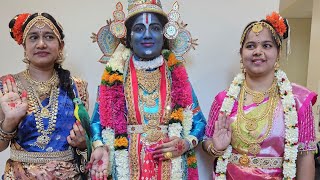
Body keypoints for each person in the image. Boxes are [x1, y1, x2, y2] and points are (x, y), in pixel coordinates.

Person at [88, 0, 206, 179]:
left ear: (165, 35)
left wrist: (186, 143)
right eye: (139, 29)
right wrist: (99, 146)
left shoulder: (177, 78)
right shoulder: (115, 78)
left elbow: (200, 123)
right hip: (127, 166)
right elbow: (97, 123)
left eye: (155, 28)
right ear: (128, 37)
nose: (148, 35)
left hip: (170, 166)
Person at [202, 12, 317, 180]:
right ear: (241, 54)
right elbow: (207, 140)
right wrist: (215, 148)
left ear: (278, 52)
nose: (258, 51)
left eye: (266, 45)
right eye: (250, 46)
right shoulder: (223, 99)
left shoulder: (298, 100)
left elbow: (305, 157)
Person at [0, 12, 90, 179]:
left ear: (60, 46)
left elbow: (87, 140)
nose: (41, 44)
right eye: (33, 38)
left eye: (49, 37)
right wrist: (9, 122)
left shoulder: (77, 86)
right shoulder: (7, 86)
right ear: (24, 47)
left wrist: (84, 143)